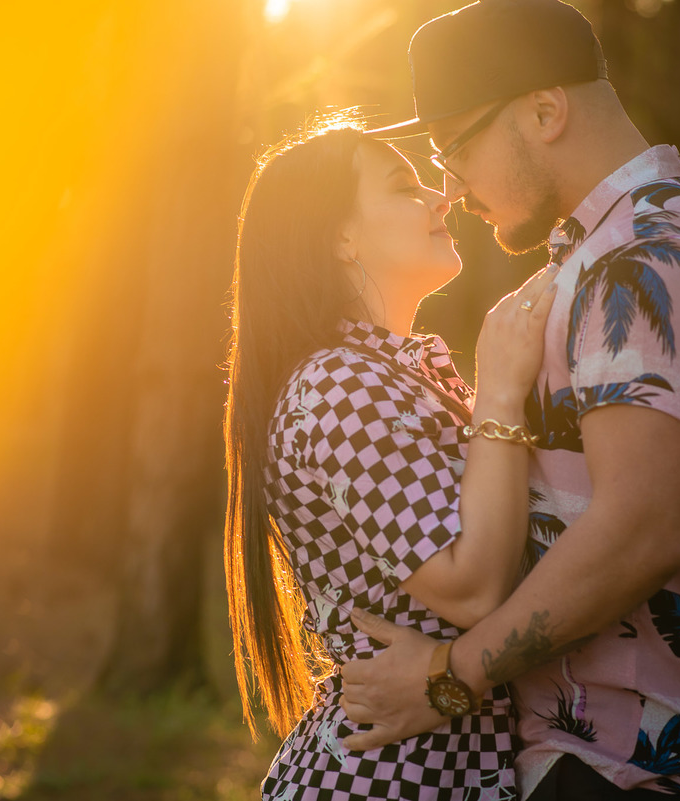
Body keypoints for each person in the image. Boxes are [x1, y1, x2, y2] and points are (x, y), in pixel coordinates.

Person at [338, 2, 680, 800]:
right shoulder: (607, 252)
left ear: (545, 110)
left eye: (454, 148)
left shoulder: (645, 259)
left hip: (633, 769)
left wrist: (446, 676)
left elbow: (642, 530)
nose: (450, 188)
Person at [223, 118, 558, 800]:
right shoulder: (337, 387)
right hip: (390, 778)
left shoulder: (384, 376)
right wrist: (499, 389)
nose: (440, 197)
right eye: (404, 186)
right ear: (339, 238)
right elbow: (472, 588)